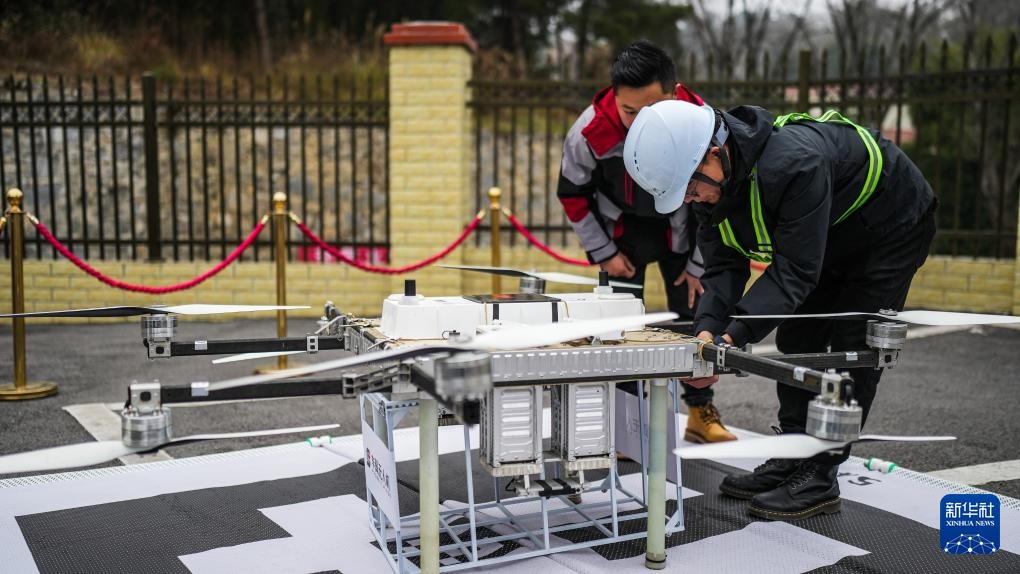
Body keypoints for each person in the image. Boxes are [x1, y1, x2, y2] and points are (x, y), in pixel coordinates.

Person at [622, 100, 936, 520]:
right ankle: (793, 452)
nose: (693, 199)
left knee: (848, 347)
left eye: (693, 189)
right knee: (798, 336)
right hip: (834, 231)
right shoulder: (714, 182)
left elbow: (794, 272)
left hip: (890, 228)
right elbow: (722, 267)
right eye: (686, 194)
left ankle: (821, 475)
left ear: (715, 153)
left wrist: (734, 335)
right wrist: (707, 332)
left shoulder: (794, 165)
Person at [557, 40, 735, 444]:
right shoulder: (588, 132)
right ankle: (625, 429)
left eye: (652, 111)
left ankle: (700, 413)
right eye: (629, 112)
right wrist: (605, 254)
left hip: (684, 231)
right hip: (622, 238)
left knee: (696, 322)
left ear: (675, 94)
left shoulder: (701, 123)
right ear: (613, 98)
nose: (640, 123)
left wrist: (698, 265)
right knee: (619, 332)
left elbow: (717, 202)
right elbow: (571, 196)